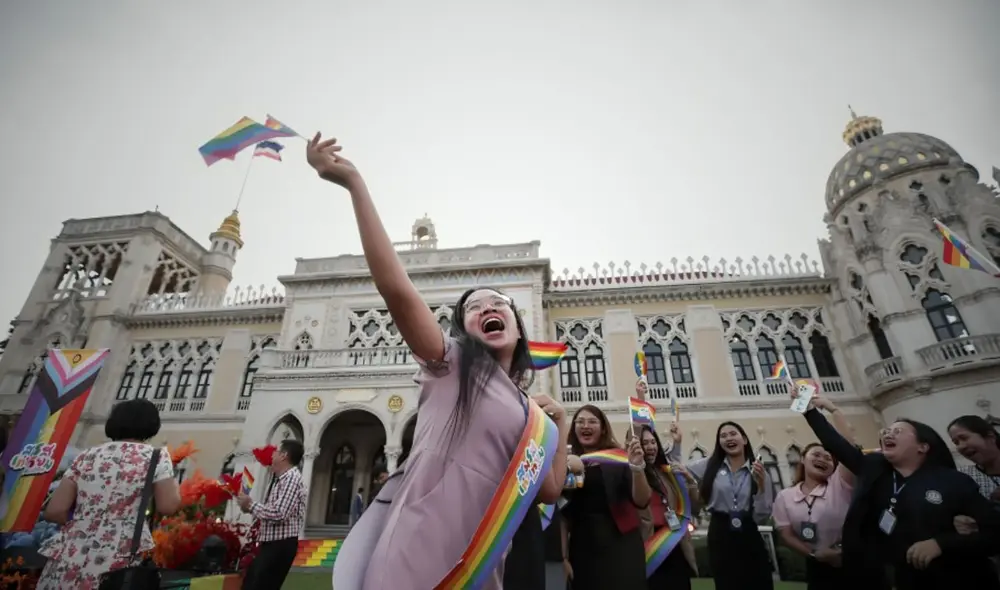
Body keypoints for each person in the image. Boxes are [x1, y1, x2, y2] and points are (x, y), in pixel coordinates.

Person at [308, 133, 568, 590]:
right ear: (459, 331)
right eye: (474, 307)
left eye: (499, 303)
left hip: (481, 562)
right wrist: (354, 184)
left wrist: (559, 427)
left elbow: (547, 490)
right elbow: (398, 291)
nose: (489, 308)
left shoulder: (531, 416)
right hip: (416, 552)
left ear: (517, 323)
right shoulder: (450, 366)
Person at [798, 392, 1000, 590]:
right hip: (909, 580)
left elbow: (994, 534)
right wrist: (807, 408)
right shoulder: (875, 471)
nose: (888, 433)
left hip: (962, 579)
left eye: (898, 431)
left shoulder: (955, 481)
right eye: (887, 431)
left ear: (922, 446)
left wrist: (941, 544)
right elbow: (836, 444)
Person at [36, 399, 180, 590]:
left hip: (69, 554)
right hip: (117, 557)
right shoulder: (155, 457)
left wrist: (85, 523)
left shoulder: (86, 455)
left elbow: (54, 511)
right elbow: (168, 506)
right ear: (153, 425)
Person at [561, 405, 650, 590]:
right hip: (583, 546)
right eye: (580, 422)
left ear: (603, 428)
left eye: (592, 421)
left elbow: (642, 500)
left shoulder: (619, 459)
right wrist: (563, 557)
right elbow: (562, 514)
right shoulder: (565, 461)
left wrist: (637, 468)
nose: (586, 426)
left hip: (621, 544)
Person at [772, 396, 856, 590]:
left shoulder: (840, 486)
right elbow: (787, 535)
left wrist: (834, 411)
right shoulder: (785, 497)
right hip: (816, 567)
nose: (823, 459)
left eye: (828, 458)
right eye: (816, 455)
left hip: (850, 563)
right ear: (802, 459)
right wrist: (814, 554)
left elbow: (848, 449)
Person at [679, 421, 774, 590]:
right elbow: (677, 470)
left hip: (748, 531)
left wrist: (760, 487)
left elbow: (762, 515)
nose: (728, 438)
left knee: (759, 581)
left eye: (733, 434)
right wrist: (677, 442)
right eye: (723, 436)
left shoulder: (758, 471)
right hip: (720, 530)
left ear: (744, 439)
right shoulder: (710, 465)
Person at [237, 439, 307, 590]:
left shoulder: (291, 479)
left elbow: (279, 513)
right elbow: (271, 510)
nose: (272, 454)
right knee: (251, 583)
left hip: (280, 545)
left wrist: (251, 504)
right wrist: (248, 506)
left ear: (284, 455)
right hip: (271, 543)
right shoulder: (279, 480)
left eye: (276, 451)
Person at [637, 424, 699, 590]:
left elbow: (694, 504)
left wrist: (690, 480)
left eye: (653, 442)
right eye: (645, 443)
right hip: (650, 546)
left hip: (673, 543)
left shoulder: (665, 472)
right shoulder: (633, 474)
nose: (650, 447)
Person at [947, 415, 1000, 501]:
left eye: (964, 438)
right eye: (956, 443)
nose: (961, 447)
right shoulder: (962, 477)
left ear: (990, 436)